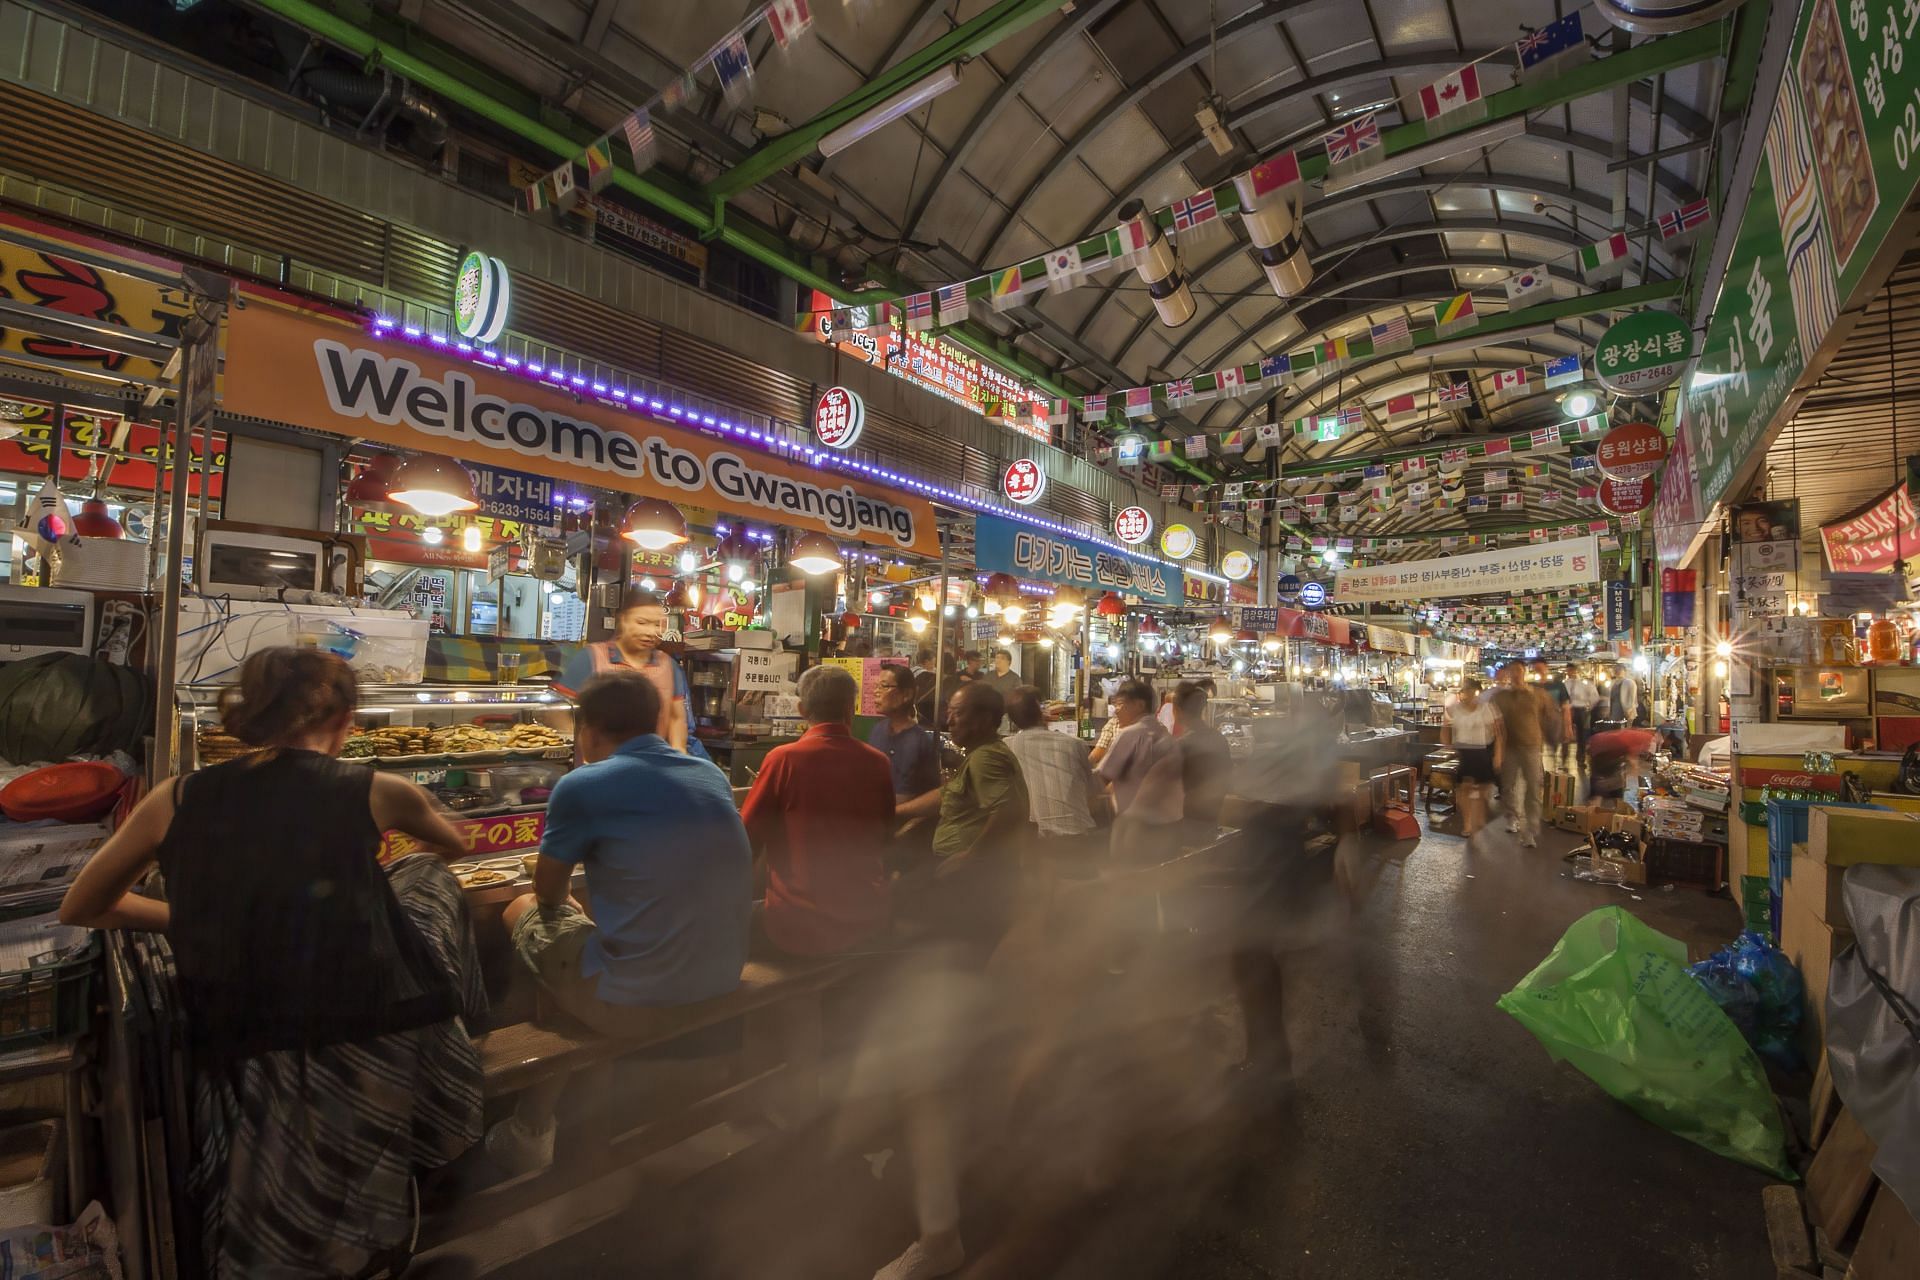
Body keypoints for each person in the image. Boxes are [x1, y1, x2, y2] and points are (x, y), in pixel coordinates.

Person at [59, 648, 486, 1276]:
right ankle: (461, 1039)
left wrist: (195, 917)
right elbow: (455, 845)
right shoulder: (375, 789)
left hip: (243, 1027)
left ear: (249, 717)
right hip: (368, 1022)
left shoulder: (175, 798)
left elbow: (82, 904)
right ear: (344, 720)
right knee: (422, 878)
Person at [490, 674, 751, 1171]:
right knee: (586, 936)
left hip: (639, 997)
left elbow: (547, 891)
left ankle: (533, 1124)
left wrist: (570, 903)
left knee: (519, 911)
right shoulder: (708, 774)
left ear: (587, 728)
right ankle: (545, 1115)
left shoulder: (582, 785)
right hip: (722, 975)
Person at [741, 665, 895, 956]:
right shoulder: (878, 763)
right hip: (868, 919)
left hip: (798, 927)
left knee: (729, 921)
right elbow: (886, 836)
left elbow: (745, 841)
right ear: (851, 709)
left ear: (801, 709)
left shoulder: (783, 759)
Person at [554, 591, 692, 754]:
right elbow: (559, 712)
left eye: (658, 624)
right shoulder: (591, 658)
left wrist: (679, 752)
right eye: (642, 622)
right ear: (623, 620)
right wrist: (582, 751)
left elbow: (676, 718)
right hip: (599, 765)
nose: (650, 632)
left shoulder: (668, 665)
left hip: (651, 765)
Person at [1096, 677, 1182, 865]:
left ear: (1139, 705)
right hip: (1169, 826)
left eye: (1120, 704)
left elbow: (1102, 777)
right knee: (1156, 881)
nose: (1116, 710)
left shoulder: (1130, 734)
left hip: (1137, 827)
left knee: (1128, 880)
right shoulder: (1165, 734)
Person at [1002, 685, 1099, 843]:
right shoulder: (1075, 744)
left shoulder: (1006, 747)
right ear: (1043, 712)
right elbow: (1092, 797)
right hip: (1078, 837)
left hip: (1034, 841)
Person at [1489, 661, 1548, 848]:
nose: (1516, 674)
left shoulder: (1536, 694)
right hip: (1509, 746)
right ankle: (1512, 816)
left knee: (1533, 786)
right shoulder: (1501, 697)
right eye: (1512, 670)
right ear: (1508, 673)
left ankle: (1530, 829)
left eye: (1519, 670)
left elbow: (1546, 717)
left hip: (1531, 746)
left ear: (1524, 672)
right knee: (1507, 785)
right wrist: (1497, 751)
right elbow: (1496, 724)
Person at [868, 662, 944, 803]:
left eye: (884, 686)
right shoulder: (877, 730)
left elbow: (931, 795)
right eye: (876, 686)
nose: (876, 692)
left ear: (907, 694)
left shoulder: (919, 741)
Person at [1441, 676, 1500, 836]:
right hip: (1464, 752)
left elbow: (1498, 732)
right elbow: (1445, 725)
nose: (1465, 693)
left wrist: (1498, 754)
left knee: (1482, 788)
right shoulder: (1456, 709)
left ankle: (1480, 815)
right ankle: (1467, 823)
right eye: (1463, 690)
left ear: (1476, 692)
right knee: (1463, 788)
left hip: (1482, 751)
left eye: (1468, 690)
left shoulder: (1485, 708)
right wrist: (1447, 743)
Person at [1172, 680, 1232, 835]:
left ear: (1177, 710)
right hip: (1211, 819)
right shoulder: (1219, 738)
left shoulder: (1182, 744)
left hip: (1186, 824)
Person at [1532, 659, 1574, 768]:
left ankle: (1559, 767)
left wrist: (1568, 726)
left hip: (1555, 721)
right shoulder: (1531, 686)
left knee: (1558, 746)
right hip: (1537, 723)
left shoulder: (1557, 685)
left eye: (1540, 669)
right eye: (1536, 669)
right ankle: (1541, 771)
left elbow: (1565, 706)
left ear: (1546, 668)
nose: (1539, 671)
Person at [1566, 664, 1602, 767]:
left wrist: (1588, 707)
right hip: (1569, 709)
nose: (1569, 673)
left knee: (1581, 735)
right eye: (1568, 671)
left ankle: (1580, 759)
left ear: (1575, 671)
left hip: (1581, 710)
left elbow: (1595, 696)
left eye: (1571, 670)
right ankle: (1564, 760)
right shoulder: (1565, 684)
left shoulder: (1584, 683)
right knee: (1565, 734)